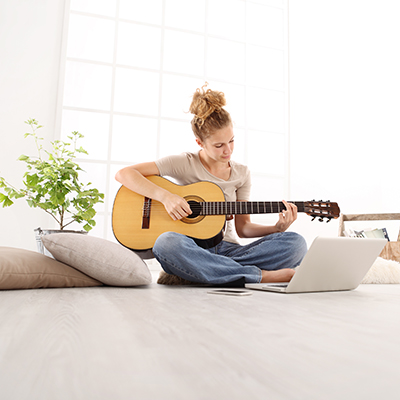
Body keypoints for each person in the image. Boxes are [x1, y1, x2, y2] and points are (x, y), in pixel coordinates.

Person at [115, 84, 307, 285]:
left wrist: (277, 228)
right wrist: (166, 197)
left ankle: (204, 270)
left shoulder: (242, 174)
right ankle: (257, 276)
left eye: (231, 141)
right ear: (200, 143)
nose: (228, 151)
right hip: (190, 246)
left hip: (228, 249)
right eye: (219, 145)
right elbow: (124, 174)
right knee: (166, 244)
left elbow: (244, 228)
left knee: (296, 244)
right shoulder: (184, 163)